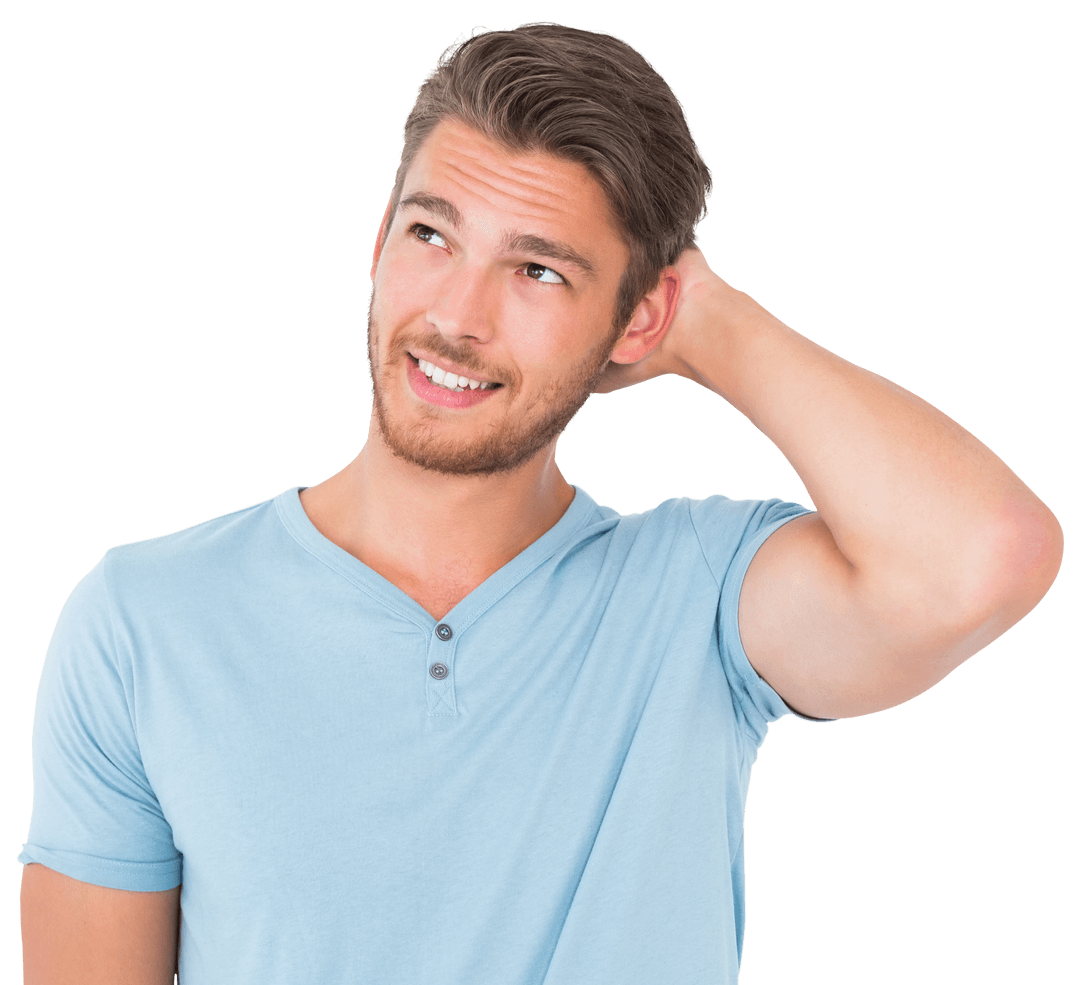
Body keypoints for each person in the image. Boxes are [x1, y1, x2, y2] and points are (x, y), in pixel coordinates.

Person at [18, 21, 1062, 985]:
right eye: (432, 234)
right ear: (379, 241)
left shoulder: (698, 600)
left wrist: (710, 325)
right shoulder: (144, 620)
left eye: (539, 270)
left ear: (634, 318)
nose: (457, 317)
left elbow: (986, 557)